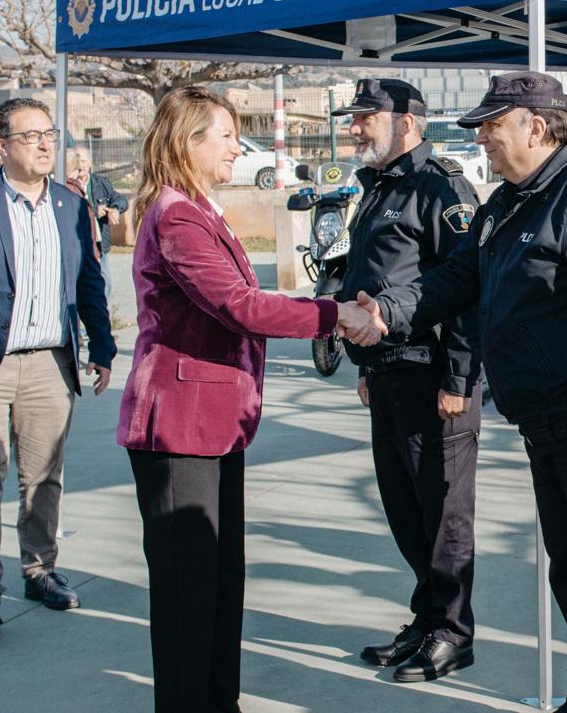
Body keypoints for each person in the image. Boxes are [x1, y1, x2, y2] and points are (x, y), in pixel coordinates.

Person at [358, 72, 567, 711]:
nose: (482, 138)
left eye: (493, 125)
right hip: (542, 423)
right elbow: (453, 280)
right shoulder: (506, 204)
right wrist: (384, 310)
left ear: (537, 128)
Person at [118, 85, 381, 713]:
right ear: (189, 142)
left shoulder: (198, 208)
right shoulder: (178, 214)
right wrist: (334, 313)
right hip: (179, 427)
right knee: (189, 594)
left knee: (219, 580)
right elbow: (241, 306)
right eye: (228, 135)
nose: (240, 146)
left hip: (213, 424)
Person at [0, 97, 117, 633]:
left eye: (50, 134)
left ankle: (40, 569)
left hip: (50, 363)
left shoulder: (69, 204)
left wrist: (102, 349)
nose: (45, 145)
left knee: (44, 477)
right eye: (30, 136)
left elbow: (90, 281)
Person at [334, 78, 482, 683]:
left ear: (408, 122)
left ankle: (453, 632)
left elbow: (469, 287)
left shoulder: (442, 188)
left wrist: (459, 376)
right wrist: (366, 366)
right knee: (405, 509)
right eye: (355, 116)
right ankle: (426, 619)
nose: (355, 127)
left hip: (432, 376)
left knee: (444, 516)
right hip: (388, 373)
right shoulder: (377, 188)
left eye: (366, 116)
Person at [67, 147, 128, 302]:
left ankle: (103, 315)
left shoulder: (101, 183)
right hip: (80, 242)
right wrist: (95, 210)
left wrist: (115, 209)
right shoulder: (68, 185)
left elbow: (120, 199)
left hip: (101, 243)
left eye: (83, 161)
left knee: (105, 281)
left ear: (90, 163)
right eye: (77, 160)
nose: (80, 165)